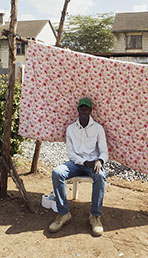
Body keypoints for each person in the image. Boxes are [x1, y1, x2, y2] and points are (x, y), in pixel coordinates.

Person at [49, 97, 108, 236]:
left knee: (100, 176)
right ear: (78, 110)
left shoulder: (98, 128)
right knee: (57, 172)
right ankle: (63, 214)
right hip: (76, 163)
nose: (83, 111)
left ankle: (95, 216)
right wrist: (83, 162)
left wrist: (100, 161)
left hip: (93, 163)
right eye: (81, 108)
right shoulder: (70, 129)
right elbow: (70, 153)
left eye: (86, 108)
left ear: (90, 110)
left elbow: (104, 151)